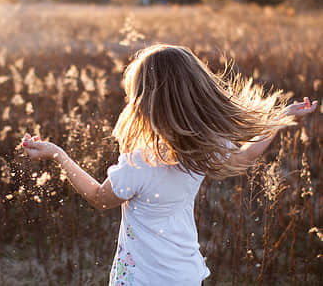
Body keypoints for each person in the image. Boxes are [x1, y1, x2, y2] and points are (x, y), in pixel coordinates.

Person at [21, 44, 318, 285]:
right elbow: (243, 156)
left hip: (139, 280)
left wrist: (57, 154)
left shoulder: (140, 162)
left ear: (145, 102)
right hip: (185, 275)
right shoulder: (203, 148)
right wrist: (279, 122)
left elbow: (100, 198)